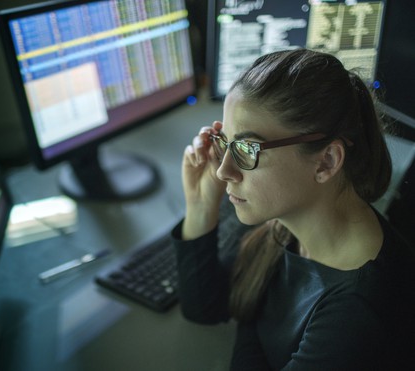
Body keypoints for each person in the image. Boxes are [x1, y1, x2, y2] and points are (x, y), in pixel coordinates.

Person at [172, 49, 415, 370]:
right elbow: (205, 306)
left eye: (247, 149)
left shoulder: (357, 315)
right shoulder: (286, 223)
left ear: (326, 161)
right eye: (225, 142)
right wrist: (201, 207)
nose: (223, 171)